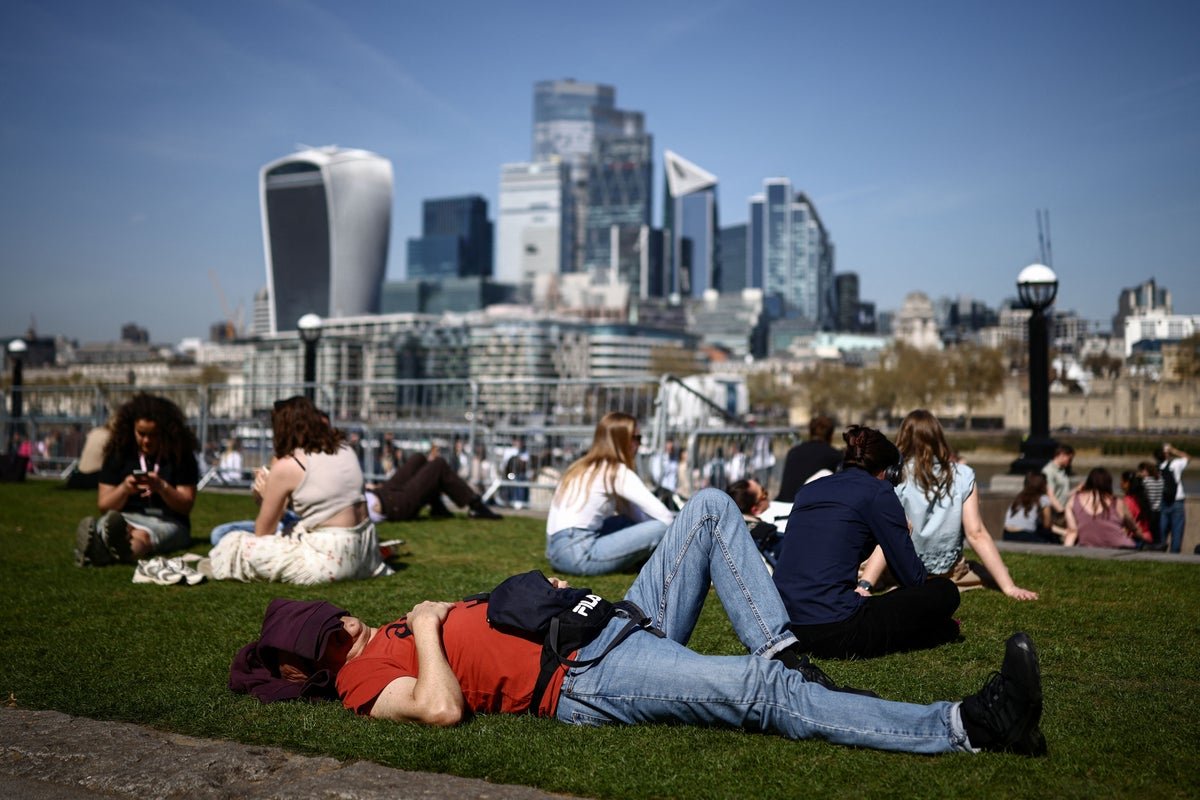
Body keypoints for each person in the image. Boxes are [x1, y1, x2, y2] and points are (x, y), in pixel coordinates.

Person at [236, 490, 1046, 757]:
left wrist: (529, 592)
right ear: (308, 670)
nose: (345, 628)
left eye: (336, 620)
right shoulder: (362, 684)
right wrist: (421, 624)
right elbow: (442, 706)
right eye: (328, 638)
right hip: (588, 675)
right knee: (754, 692)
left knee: (708, 508)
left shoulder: (370, 637)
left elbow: (483, 626)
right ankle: (968, 727)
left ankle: (789, 651)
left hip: (607, 620)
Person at [773, 426, 961, 659]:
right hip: (836, 628)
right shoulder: (879, 492)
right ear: (891, 472)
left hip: (786, 626)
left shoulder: (807, 491)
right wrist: (900, 532)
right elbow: (913, 578)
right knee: (945, 591)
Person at [207, 396, 392, 585]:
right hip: (367, 551)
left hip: (331, 559)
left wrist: (265, 496)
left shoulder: (289, 464)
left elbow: (263, 532)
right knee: (289, 529)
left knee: (233, 542)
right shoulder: (344, 448)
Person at [878, 409, 1037, 600]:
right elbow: (976, 533)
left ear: (903, 437)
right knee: (983, 570)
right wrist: (1009, 587)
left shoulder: (894, 476)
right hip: (949, 572)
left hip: (902, 570)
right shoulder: (963, 474)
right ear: (938, 437)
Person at [75, 393, 200, 567]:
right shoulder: (118, 452)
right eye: (141, 434)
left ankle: (105, 552)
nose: (147, 441)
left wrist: (162, 487)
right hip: (124, 517)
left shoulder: (181, 455)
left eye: (154, 435)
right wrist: (124, 489)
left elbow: (186, 505)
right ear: (131, 428)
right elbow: (104, 505)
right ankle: (110, 547)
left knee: (142, 534)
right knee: (116, 526)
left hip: (169, 521)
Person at [546, 412, 674, 576]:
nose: (639, 444)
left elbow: (633, 515)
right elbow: (666, 519)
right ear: (623, 440)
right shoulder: (616, 471)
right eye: (637, 438)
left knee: (624, 521)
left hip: (555, 552)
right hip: (579, 555)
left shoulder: (580, 467)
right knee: (660, 528)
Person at [370, 448, 502, 521]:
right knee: (438, 464)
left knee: (419, 458)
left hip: (380, 494)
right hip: (389, 505)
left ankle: (437, 507)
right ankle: (475, 504)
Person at [1065, 467, 1139, 549]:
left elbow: (1072, 532)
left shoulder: (1073, 500)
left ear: (1088, 482)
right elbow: (1133, 528)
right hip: (1122, 546)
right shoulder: (1118, 502)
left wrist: (1065, 553)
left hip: (1089, 548)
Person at [776, 415, 842, 501]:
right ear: (831, 435)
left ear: (810, 432)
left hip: (783, 502)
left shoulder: (793, 452)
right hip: (806, 506)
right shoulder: (834, 455)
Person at [1001, 472, 1062, 545]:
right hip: (1025, 535)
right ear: (1043, 485)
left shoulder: (1019, 497)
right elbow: (1047, 525)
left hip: (1007, 534)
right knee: (1050, 541)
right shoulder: (1043, 499)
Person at [1158, 443, 1189, 553]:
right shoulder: (1175, 464)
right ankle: (1174, 555)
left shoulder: (1158, 467)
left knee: (1162, 532)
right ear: (1167, 454)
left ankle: (1161, 552)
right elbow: (1186, 457)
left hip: (1164, 501)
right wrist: (1174, 450)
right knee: (1177, 532)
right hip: (1177, 500)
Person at [1119, 471, 1154, 548]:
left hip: (1136, 540)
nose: (1120, 484)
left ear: (1127, 483)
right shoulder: (1142, 499)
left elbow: (1127, 524)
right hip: (1147, 537)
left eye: (1122, 481)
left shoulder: (1128, 501)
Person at [1137, 461, 1164, 545]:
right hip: (1158, 511)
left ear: (1146, 471)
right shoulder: (1160, 480)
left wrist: (1139, 477)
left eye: (1142, 471)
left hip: (1149, 511)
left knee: (1148, 532)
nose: (1141, 473)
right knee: (1156, 533)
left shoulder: (1146, 481)